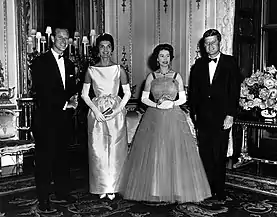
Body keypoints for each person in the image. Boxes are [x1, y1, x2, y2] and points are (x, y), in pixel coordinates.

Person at [119, 43, 211, 203]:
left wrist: (171, 104)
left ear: (171, 58)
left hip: (174, 116)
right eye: (162, 56)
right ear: (156, 58)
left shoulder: (177, 76)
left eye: (167, 56)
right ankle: (155, 189)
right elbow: (143, 98)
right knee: (155, 152)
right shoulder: (151, 77)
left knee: (174, 151)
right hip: (154, 117)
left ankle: (176, 189)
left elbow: (183, 98)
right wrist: (157, 105)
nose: (165, 59)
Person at [188, 29, 241, 202]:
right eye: (207, 43)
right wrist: (194, 115)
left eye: (213, 42)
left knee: (219, 154)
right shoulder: (198, 65)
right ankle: (207, 189)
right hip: (203, 118)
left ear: (220, 43)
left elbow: (234, 91)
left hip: (222, 117)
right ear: (203, 45)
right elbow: (194, 93)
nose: (210, 46)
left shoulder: (230, 63)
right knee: (205, 154)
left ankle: (220, 190)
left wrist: (231, 115)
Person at [31, 27, 78, 214]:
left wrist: (74, 99)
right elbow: (41, 93)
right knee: (44, 161)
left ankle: (62, 192)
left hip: (64, 120)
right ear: (52, 39)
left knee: (62, 158)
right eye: (60, 37)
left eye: (67, 38)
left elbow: (71, 87)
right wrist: (65, 103)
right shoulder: (40, 62)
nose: (64, 41)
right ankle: (43, 198)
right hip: (46, 120)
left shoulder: (69, 63)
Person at [81, 33, 131, 200]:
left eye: (108, 46)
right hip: (97, 113)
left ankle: (115, 186)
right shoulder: (91, 70)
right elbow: (84, 95)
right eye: (102, 46)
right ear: (98, 49)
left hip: (115, 113)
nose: (105, 50)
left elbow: (128, 93)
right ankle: (101, 185)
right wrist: (95, 111)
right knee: (98, 149)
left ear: (112, 48)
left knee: (116, 149)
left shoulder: (119, 70)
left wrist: (117, 111)